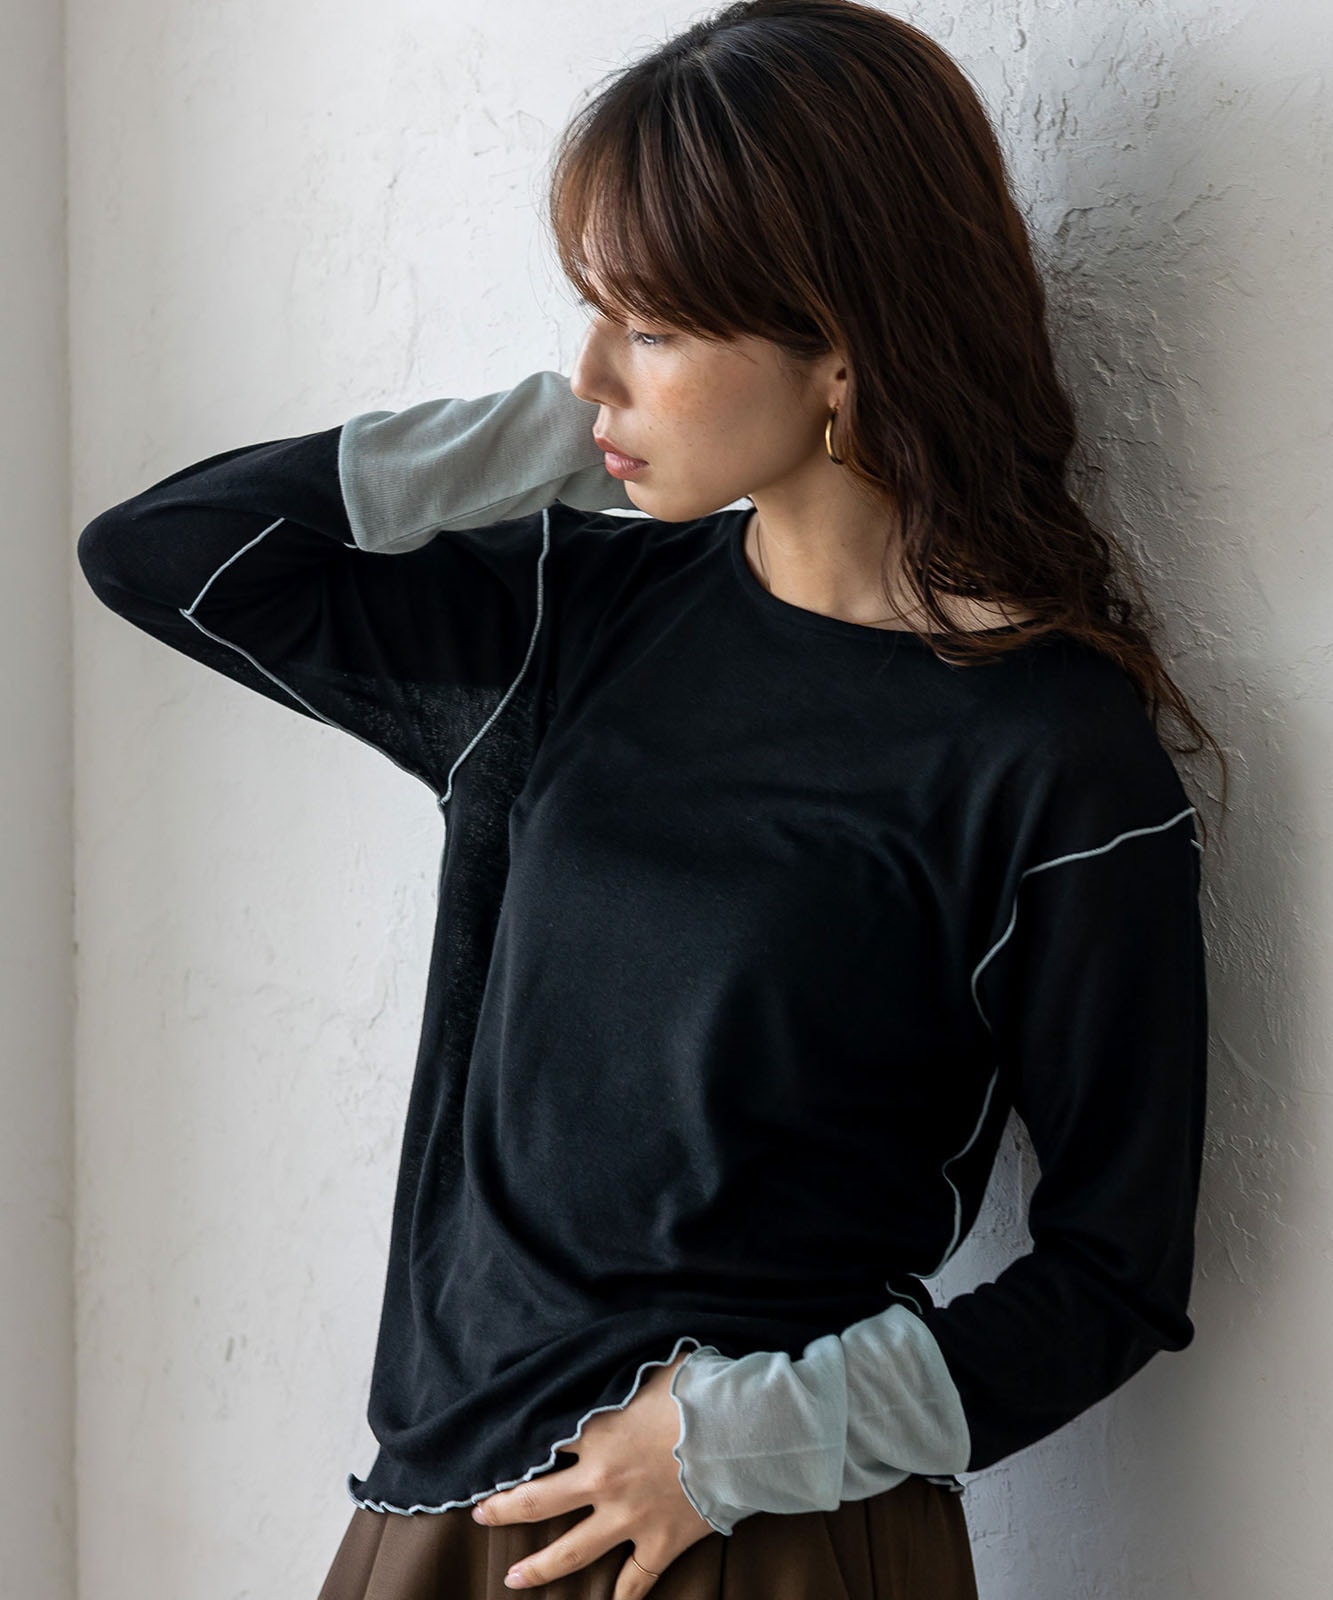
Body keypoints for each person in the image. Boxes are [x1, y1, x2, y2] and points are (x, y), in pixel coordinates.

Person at [76, 2, 1225, 1596]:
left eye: (656, 327)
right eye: (592, 311)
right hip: (446, 1513)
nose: (590, 371)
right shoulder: (569, 618)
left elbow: (1116, 1274)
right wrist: (566, 439)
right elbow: (159, 554)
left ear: (843, 346)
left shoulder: (1049, 757)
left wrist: (741, 1444)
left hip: (765, 1540)